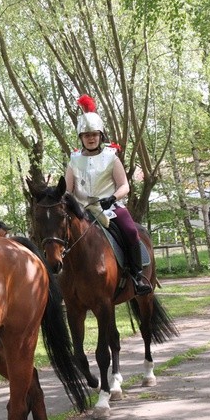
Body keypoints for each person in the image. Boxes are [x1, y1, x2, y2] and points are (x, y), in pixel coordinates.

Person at [64, 94, 152, 296]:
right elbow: (67, 190)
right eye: (87, 135)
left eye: (94, 134)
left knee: (130, 231)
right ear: (81, 138)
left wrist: (112, 198)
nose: (91, 138)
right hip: (81, 210)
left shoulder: (111, 157)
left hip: (110, 208)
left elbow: (124, 186)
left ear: (101, 135)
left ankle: (137, 277)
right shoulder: (74, 161)